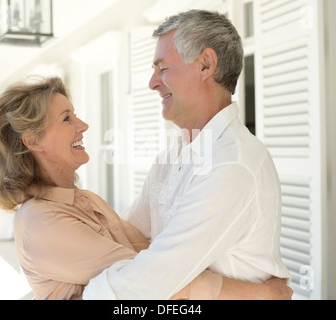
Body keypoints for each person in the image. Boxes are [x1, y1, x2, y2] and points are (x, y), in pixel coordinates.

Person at [0, 76, 291, 300]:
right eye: (67, 119)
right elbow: (155, 282)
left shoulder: (82, 200)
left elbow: (150, 254)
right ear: (33, 141)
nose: (83, 125)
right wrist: (263, 295)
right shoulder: (41, 223)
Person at [82, 10, 291, 300]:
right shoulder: (172, 157)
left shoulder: (233, 163)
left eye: (163, 68)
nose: (152, 83)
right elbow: (128, 239)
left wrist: (86, 296)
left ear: (206, 64)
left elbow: (151, 281)